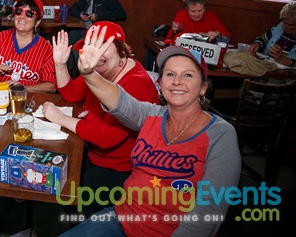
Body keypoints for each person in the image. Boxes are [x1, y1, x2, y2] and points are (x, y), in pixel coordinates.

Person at [52, 31, 240, 237]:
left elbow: (208, 214)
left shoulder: (220, 134)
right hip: (121, 218)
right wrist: (88, 73)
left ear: (203, 87)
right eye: (170, 74)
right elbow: (120, 102)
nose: (177, 81)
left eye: (188, 75)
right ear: (160, 83)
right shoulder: (152, 115)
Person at [45, 22, 158, 201]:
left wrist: (60, 118)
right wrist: (60, 65)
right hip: (92, 153)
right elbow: (72, 94)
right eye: (90, 47)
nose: (95, 54)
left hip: (120, 169)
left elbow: (105, 138)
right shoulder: (98, 69)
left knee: (65, 192)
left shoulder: (137, 84)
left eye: (102, 46)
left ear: (122, 51)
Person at [166, 0, 231, 41]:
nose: (197, 14)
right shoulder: (182, 14)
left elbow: (227, 36)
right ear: (187, 10)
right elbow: (170, 37)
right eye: (193, 11)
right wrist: (200, 35)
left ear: (205, 8)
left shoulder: (211, 16)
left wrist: (217, 34)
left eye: (200, 10)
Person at [249, 2, 296, 68]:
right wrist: (257, 44)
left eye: (289, 24)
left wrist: (283, 59)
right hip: (266, 68)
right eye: (283, 21)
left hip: (287, 76)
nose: (284, 26)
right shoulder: (279, 27)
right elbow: (262, 39)